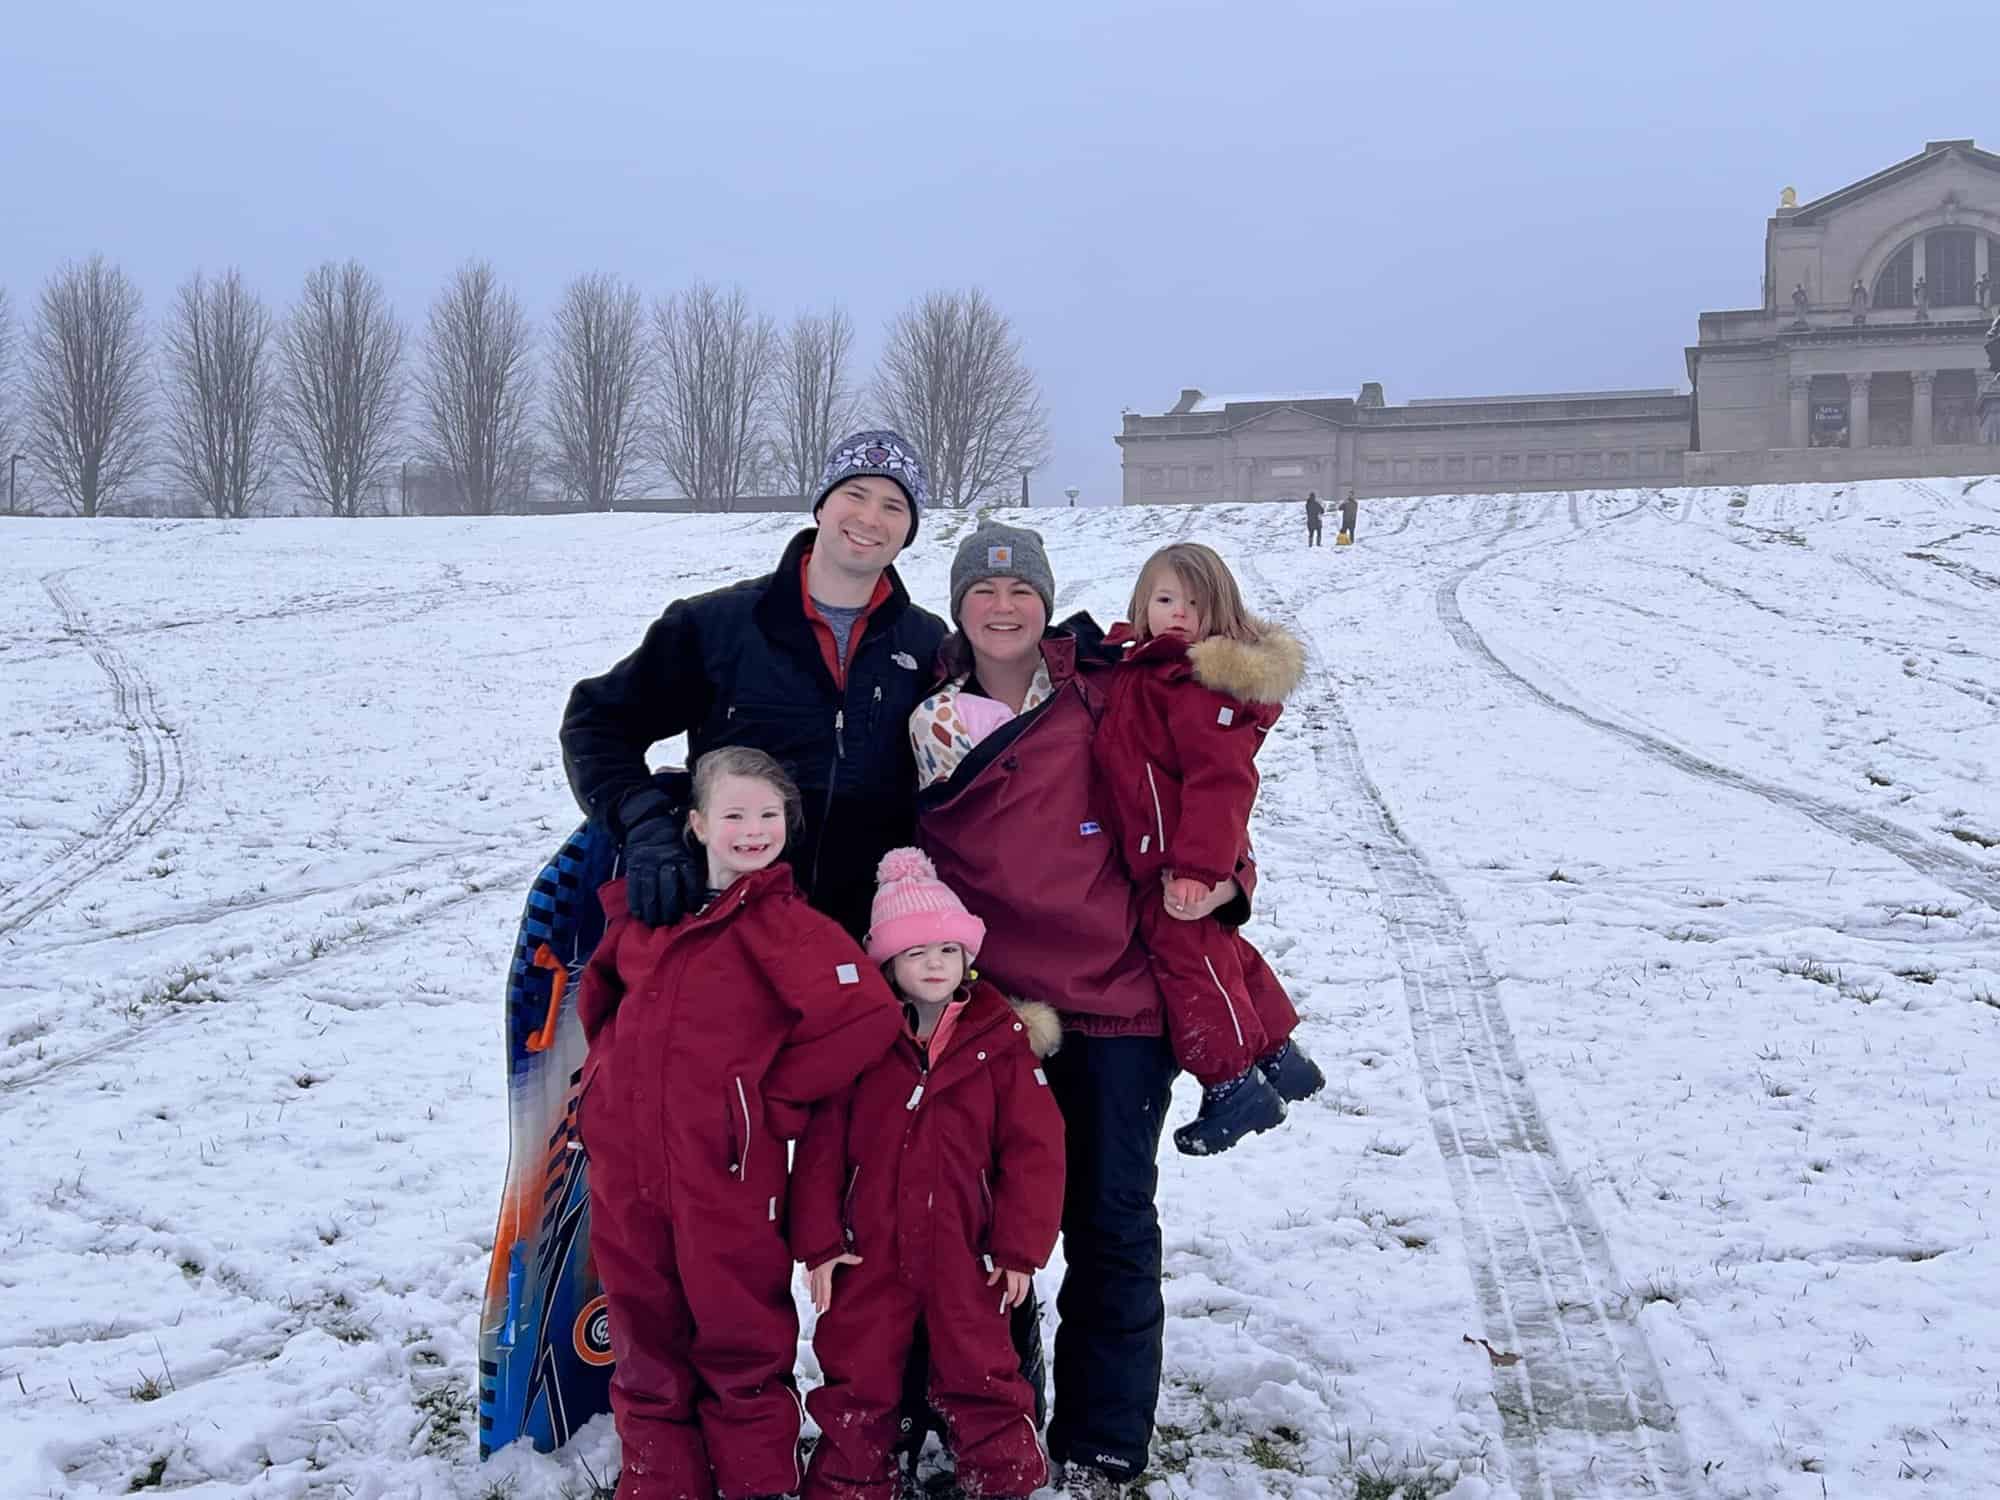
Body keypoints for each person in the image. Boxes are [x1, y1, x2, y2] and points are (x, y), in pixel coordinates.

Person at [911, 522, 1260, 1497]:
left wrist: (1222, 879)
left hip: (1115, 1005)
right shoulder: (928, 713)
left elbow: (1198, 791)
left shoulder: (1103, 686)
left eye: (1021, 590)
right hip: (988, 1012)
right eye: (983, 592)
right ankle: (994, 1414)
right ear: (960, 606)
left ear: (1043, 598)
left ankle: (1103, 1442)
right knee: (985, 1226)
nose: (1004, 606)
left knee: (1107, 1222)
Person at [575, 748, 904, 1500]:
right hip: (628, 1167)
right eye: (733, 815)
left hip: (726, 1172)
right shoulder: (652, 915)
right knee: (643, 1328)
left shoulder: (789, 927)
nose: (752, 831)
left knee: (738, 1334)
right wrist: (603, 1091)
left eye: (767, 816)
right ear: (695, 824)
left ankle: (757, 1481)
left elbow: (865, 1019)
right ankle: (661, 1480)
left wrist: (768, 1101)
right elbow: (602, 1005)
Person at [560, 429, 946, 942]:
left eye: (894, 506)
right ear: (823, 505)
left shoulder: (926, 644)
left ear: (909, 530)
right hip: (729, 929)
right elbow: (597, 724)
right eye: (855, 494)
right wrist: (645, 824)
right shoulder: (717, 625)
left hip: (867, 939)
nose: (870, 518)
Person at [793, 849, 1066, 1500]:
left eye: (948, 950)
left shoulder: (1000, 1042)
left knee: (983, 1374)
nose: (935, 964)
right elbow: (822, 1150)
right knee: (858, 1381)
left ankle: (1002, 1484)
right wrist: (822, 1245)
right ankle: (850, 1486)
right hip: (870, 1255)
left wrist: (1019, 1250)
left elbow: (1036, 1151)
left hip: (968, 1254)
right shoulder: (861, 1045)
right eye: (917, 954)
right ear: (886, 963)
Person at [1095, 542, 1324, 1156]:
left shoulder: (1195, 684)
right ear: (1142, 603)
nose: (1178, 613)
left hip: (1178, 861)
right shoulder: (1145, 666)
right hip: (1158, 851)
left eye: (1194, 604)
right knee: (1221, 952)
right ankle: (1277, 1051)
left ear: (1218, 612)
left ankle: (1232, 1086)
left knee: (1191, 967)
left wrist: (1200, 868)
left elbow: (1220, 783)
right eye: (1165, 599)